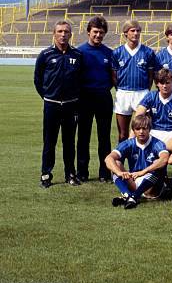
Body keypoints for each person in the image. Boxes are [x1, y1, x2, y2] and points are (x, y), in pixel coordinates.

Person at [34, 20, 83, 188]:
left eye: (66, 32)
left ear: (70, 35)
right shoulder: (45, 55)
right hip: (52, 105)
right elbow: (38, 80)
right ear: (54, 34)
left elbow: (81, 80)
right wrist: (48, 96)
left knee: (69, 142)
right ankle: (46, 175)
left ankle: (70, 174)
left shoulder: (77, 55)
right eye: (60, 31)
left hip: (71, 106)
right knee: (49, 142)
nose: (63, 34)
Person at [76, 16, 113, 183]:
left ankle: (105, 172)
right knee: (83, 136)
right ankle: (82, 172)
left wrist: (103, 89)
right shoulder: (79, 52)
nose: (98, 35)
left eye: (101, 33)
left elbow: (113, 77)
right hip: (84, 98)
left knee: (104, 137)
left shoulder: (109, 53)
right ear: (88, 32)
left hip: (103, 97)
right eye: (95, 32)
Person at [104, 114, 169, 209]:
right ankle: (128, 195)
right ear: (133, 130)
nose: (141, 132)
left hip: (151, 186)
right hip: (134, 181)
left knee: (158, 165)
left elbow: (164, 159)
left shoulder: (157, 143)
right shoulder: (128, 143)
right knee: (116, 163)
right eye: (138, 129)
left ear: (149, 129)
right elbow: (108, 159)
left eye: (144, 128)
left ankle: (133, 196)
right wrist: (119, 172)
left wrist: (143, 172)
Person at [112, 20, 157, 143]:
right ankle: (120, 161)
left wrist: (145, 90)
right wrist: (120, 89)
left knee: (143, 132)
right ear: (125, 33)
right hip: (123, 93)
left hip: (142, 93)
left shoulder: (148, 52)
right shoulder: (117, 52)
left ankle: (142, 161)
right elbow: (114, 76)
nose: (136, 33)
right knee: (123, 134)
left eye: (138, 30)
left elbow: (150, 76)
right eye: (132, 30)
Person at [135, 69, 172, 153]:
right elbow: (138, 115)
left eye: (167, 83)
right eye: (162, 83)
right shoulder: (151, 95)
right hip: (154, 131)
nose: (164, 86)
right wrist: (132, 135)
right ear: (157, 84)